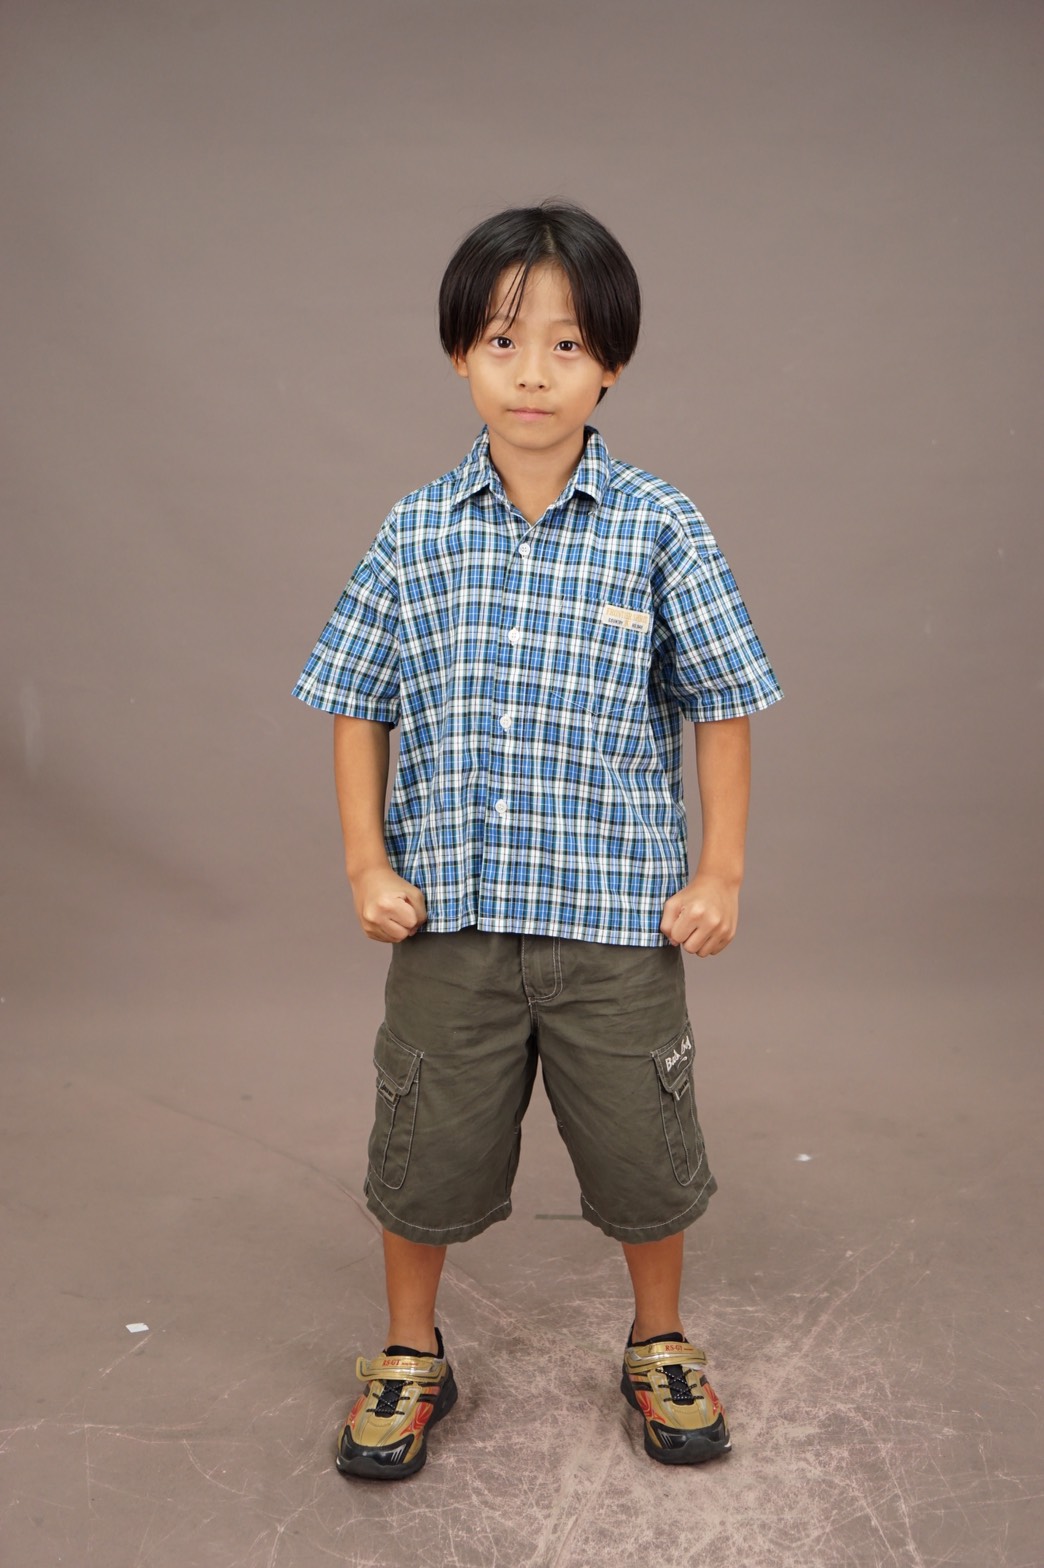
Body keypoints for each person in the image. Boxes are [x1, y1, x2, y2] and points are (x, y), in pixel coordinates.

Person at [293, 200, 782, 1480]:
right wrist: (366, 862)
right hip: (449, 924)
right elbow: (355, 699)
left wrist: (720, 870)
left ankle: (659, 1339)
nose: (532, 372)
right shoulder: (416, 530)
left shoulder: (660, 525)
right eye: (505, 340)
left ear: (611, 362)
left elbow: (723, 701)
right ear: (459, 351)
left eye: (566, 345)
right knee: (422, 1149)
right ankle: (411, 1350)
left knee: (643, 1150)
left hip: (615, 928)